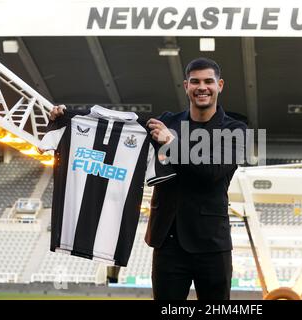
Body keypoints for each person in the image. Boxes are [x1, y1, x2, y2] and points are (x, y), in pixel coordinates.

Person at [48, 57, 247, 300]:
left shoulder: (235, 129)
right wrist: (68, 116)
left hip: (212, 245)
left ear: (220, 85)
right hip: (167, 243)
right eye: (195, 82)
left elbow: (213, 172)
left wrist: (172, 143)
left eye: (208, 81)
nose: (201, 87)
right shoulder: (167, 122)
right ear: (186, 86)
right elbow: (121, 129)